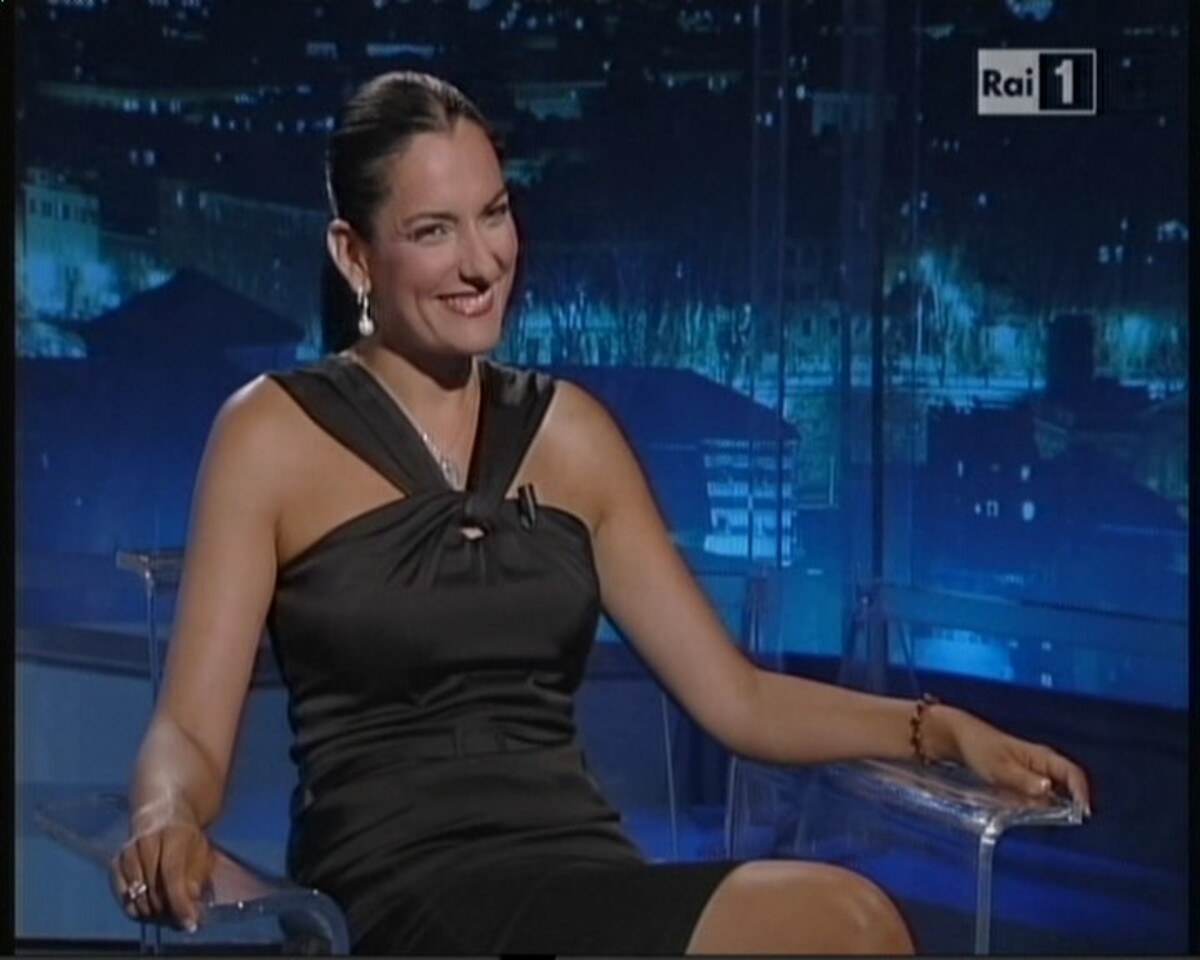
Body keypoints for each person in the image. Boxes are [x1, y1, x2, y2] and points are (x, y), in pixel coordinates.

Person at [110, 71, 1091, 955]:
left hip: (577, 872)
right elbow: (189, 730)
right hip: (396, 893)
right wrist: (165, 819)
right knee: (840, 924)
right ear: (353, 254)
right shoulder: (271, 435)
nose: (482, 261)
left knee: (849, 925)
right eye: (433, 230)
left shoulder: (571, 434)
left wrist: (940, 729)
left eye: (494, 214)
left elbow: (738, 699)